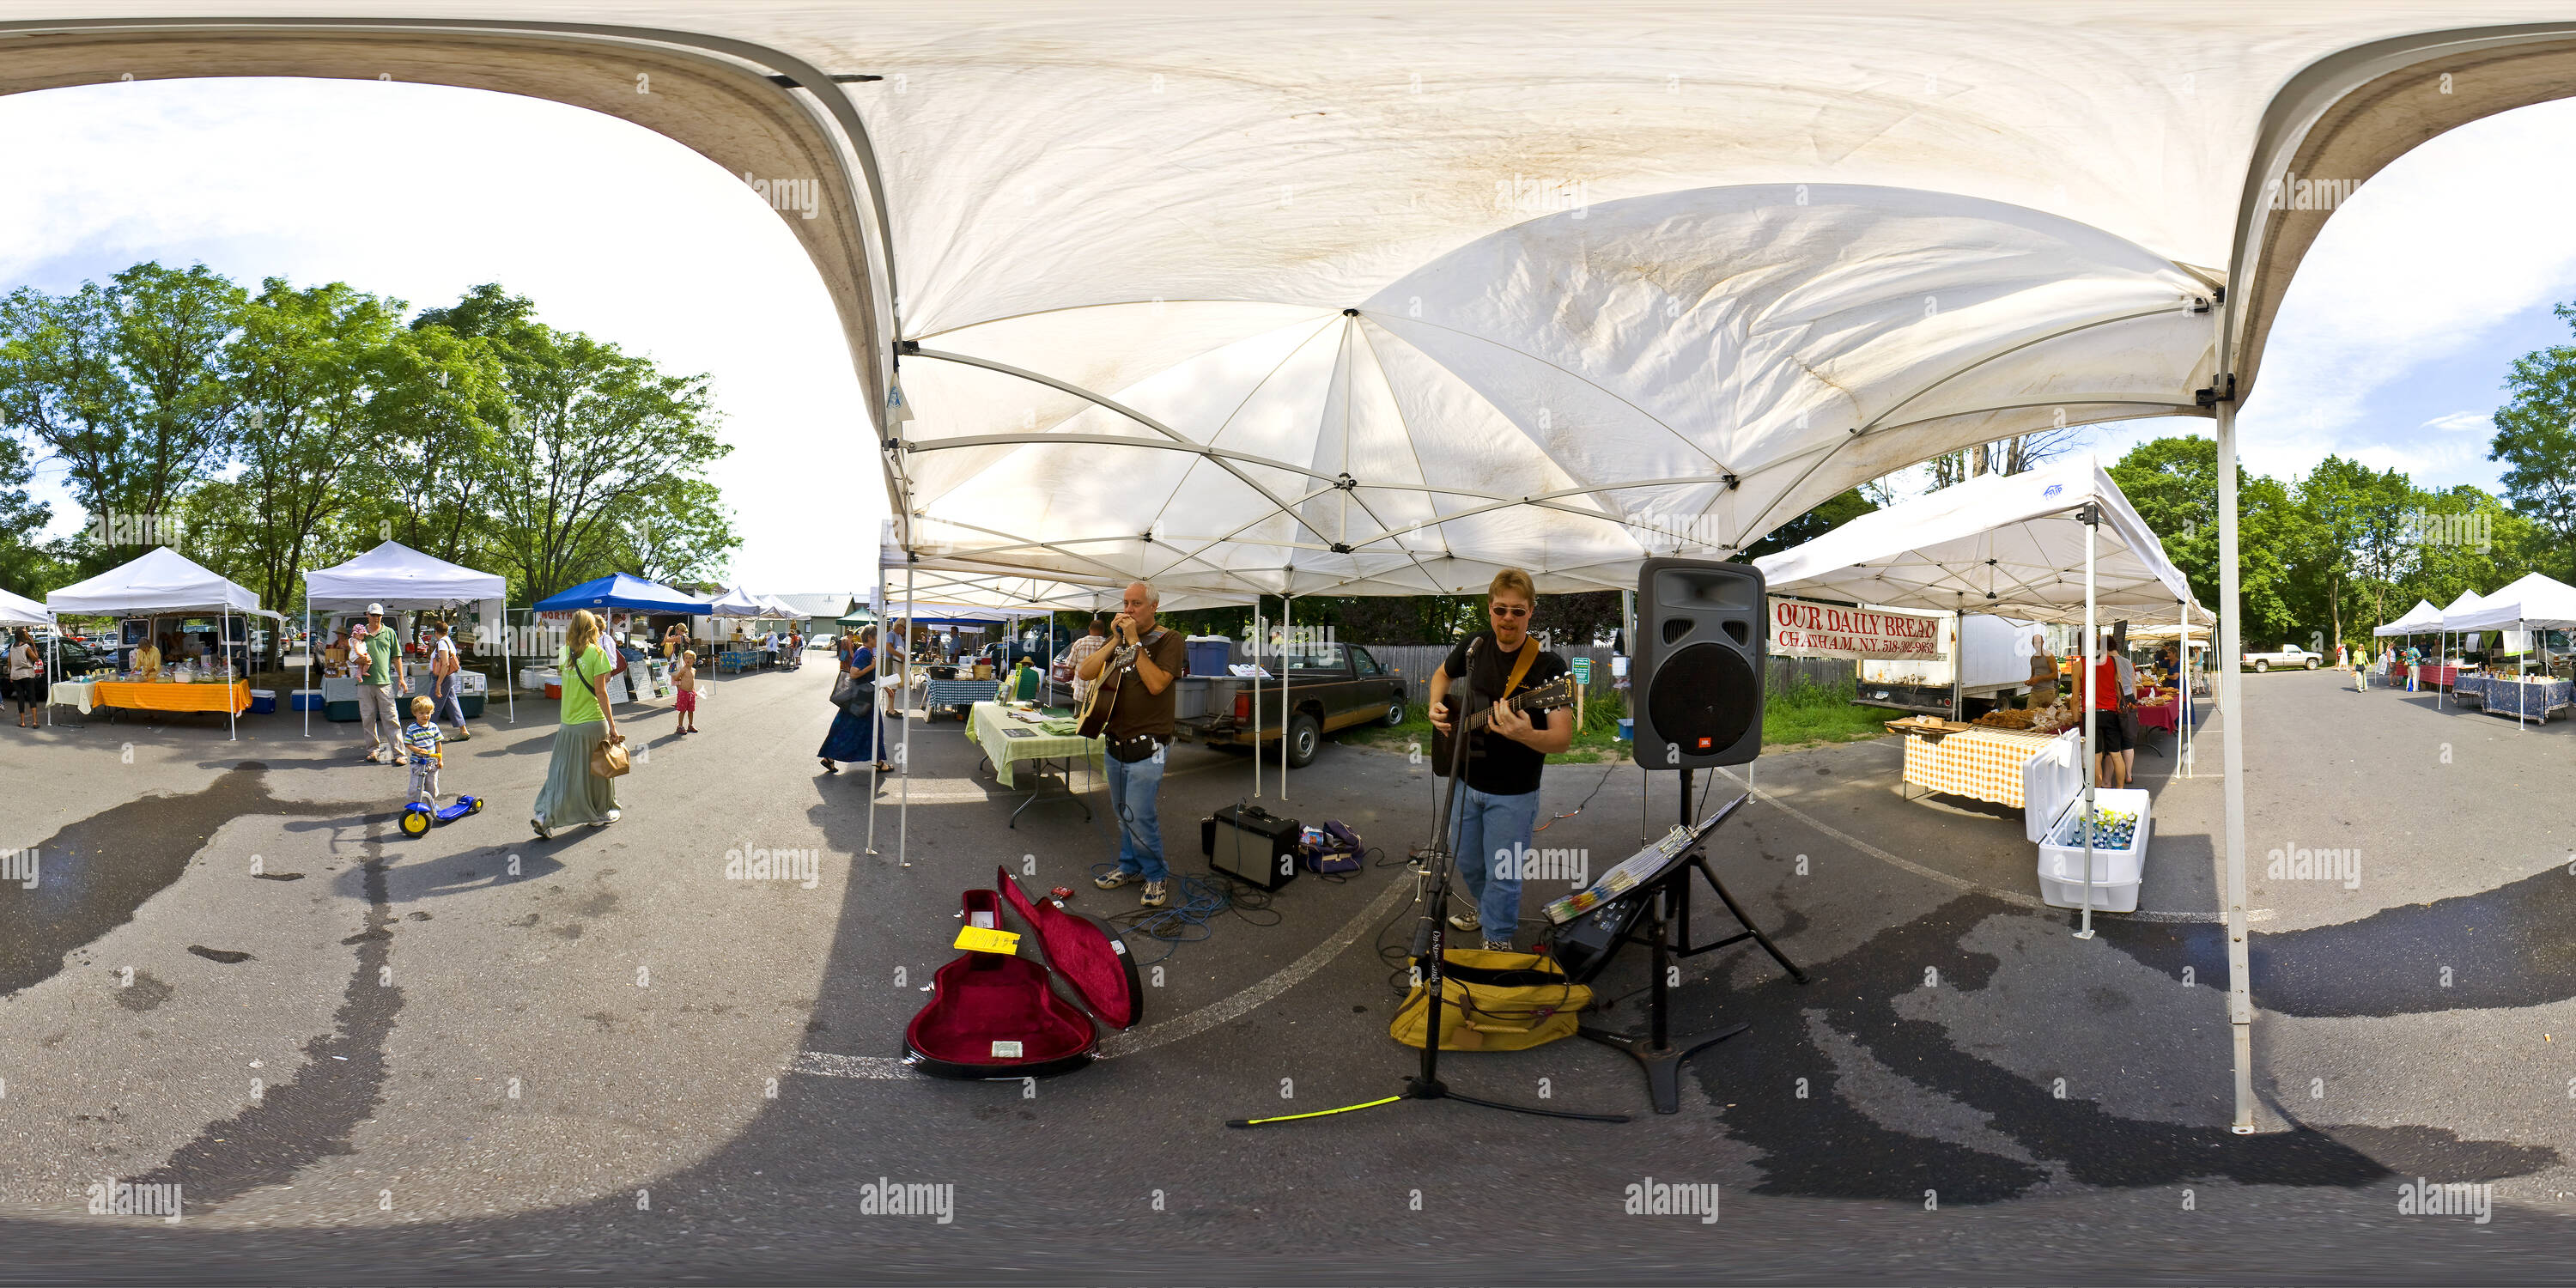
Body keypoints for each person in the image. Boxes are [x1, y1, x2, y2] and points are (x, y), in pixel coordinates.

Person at [1427, 568, 1572, 952]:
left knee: (1503, 874)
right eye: (1501, 609)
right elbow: (1441, 676)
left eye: (1517, 611)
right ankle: (1486, 909)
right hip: (1465, 779)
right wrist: (1435, 706)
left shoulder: (1550, 669)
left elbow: (1561, 738)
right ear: (1490, 609)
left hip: (1514, 791)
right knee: (1469, 864)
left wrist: (1525, 734)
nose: (1508, 618)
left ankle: (1498, 941)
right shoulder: (1474, 646)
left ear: (1531, 612)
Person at [1081, 581, 1185, 908]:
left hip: (1150, 744)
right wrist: (1115, 638)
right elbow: (1085, 672)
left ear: (1154, 607)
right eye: (1125, 603)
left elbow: (1157, 685)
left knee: (1140, 814)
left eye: (1136, 604)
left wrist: (1136, 642)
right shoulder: (1120, 641)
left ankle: (1155, 875)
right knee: (1121, 812)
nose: (1127, 610)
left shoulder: (1170, 640)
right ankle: (1129, 867)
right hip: (1116, 740)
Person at [532, 608, 622, 840]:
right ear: (593, 628)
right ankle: (599, 813)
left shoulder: (564, 652)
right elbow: (601, 693)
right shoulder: (597, 653)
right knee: (598, 772)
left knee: (561, 773)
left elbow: (568, 684)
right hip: (592, 722)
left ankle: (545, 815)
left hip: (568, 723)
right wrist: (612, 726)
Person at [819, 625, 890, 773]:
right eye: (878, 637)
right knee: (868, 730)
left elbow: (867, 675)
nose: (880, 640)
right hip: (862, 700)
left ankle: (829, 758)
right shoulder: (865, 652)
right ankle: (877, 762)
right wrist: (872, 666)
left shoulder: (866, 651)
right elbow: (854, 673)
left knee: (847, 730)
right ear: (870, 637)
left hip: (860, 699)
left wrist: (883, 684)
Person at [353, 605, 405, 765]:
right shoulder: (361, 633)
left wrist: (402, 678)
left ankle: (399, 753)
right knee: (368, 718)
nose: (376, 618)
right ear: (367, 615)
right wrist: (358, 660)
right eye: (373, 615)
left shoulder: (389, 632)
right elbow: (352, 654)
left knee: (391, 717)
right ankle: (373, 750)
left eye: (379, 615)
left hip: (384, 682)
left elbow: (397, 656)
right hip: (365, 684)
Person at [2086, 630, 2133, 790]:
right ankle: (2119, 790)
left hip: (2091, 713)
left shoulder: (2083, 664)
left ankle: (2097, 792)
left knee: (2096, 755)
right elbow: (2118, 686)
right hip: (2111, 711)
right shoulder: (2112, 662)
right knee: (2115, 753)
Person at [401, 695, 447, 810]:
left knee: (432, 785)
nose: (425, 716)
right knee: (416, 785)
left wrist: (440, 760)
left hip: (432, 763)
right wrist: (417, 750)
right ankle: (414, 804)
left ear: (431, 712)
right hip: (417, 763)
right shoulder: (412, 728)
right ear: (415, 713)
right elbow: (408, 744)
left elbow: (438, 744)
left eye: (428, 712)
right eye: (421, 713)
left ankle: (432, 803)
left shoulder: (433, 727)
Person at [428, 621, 471, 741]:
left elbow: (445, 664)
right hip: (448, 677)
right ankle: (463, 731)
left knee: (432, 704)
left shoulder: (442, 643)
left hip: (443, 677)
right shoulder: (448, 641)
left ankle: (428, 732)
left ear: (436, 632)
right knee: (452, 703)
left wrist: (438, 684)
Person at [1064, 613, 1111, 709]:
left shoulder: (1080, 643)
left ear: (1089, 628)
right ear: (1103, 631)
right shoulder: (1108, 645)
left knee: (1079, 721)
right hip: (1099, 694)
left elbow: (1069, 664)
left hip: (1080, 692)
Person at [9, 627, 39, 728]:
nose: (28, 634)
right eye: (26, 633)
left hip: (16, 675)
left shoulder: (12, 647)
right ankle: (35, 722)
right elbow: (36, 658)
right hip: (26, 674)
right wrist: (33, 643)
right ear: (23, 635)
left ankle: (22, 722)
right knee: (31, 697)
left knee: (20, 698)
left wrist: (11, 674)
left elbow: (9, 661)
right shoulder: (26, 646)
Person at [2026, 630, 2057, 708]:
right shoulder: (2032, 658)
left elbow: (2055, 675)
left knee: (2047, 718)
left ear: (2043, 642)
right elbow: (2033, 675)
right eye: (2035, 643)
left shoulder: (2049, 656)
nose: (2037, 645)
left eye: (2039, 642)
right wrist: (2030, 681)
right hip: (2035, 692)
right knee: (2029, 716)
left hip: (2047, 692)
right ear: (2032, 644)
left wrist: (2039, 678)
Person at [674, 649, 701, 735]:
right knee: (682, 710)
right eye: (686, 658)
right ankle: (680, 726)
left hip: (691, 693)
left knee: (691, 710)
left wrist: (693, 690)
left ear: (694, 660)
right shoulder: (683, 670)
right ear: (684, 660)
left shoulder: (694, 670)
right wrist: (680, 686)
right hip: (683, 693)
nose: (688, 660)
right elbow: (676, 678)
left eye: (690, 658)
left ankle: (690, 725)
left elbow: (692, 681)